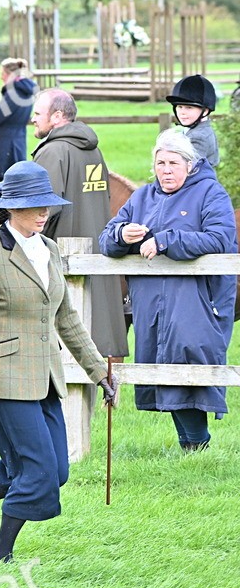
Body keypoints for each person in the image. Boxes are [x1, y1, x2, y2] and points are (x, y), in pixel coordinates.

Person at [0, 161, 117, 563]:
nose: (44, 212)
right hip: (2, 380)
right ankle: (0, 555)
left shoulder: (50, 250)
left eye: (47, 205)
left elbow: (66, 318)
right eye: (35, 205)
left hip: (46, 379)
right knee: (38, 472)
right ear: (10, 207)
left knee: (56, 473)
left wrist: (97, 372)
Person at [99, 129, 237, 452]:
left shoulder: (210, 194)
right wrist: (123, 235)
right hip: (152, 308)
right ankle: (192, 450)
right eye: (160, 163)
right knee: (165, 374)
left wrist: (166, 240)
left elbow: (219, 239)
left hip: (195, 304)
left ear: (189, 165)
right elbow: (106, 239)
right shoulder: (142, 197)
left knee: (188, 369)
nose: (166, 170)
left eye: (173, 163)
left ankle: (197, 447)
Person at [30, 88, 129, 359]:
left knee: (64, 350)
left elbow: (44, 211)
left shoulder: (53, 152)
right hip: (99, 258)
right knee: (94, 342)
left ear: (58, 116)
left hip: (64, 261)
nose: (33, 119)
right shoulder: (94, 151)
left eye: (38, 113)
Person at [0, 58, 36, 182]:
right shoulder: (26, 91)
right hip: (19, 141)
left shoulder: (14, 93)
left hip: (6, 146)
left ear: (10, 74)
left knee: (4, 185)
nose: (1, 78)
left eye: (2, 74)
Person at [166, 74, 219, 167]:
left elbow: (189, 171)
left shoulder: (198, 137)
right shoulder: (197, 129)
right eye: (179, 107)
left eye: (189, 107)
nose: (182, 112)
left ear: (205, 111)